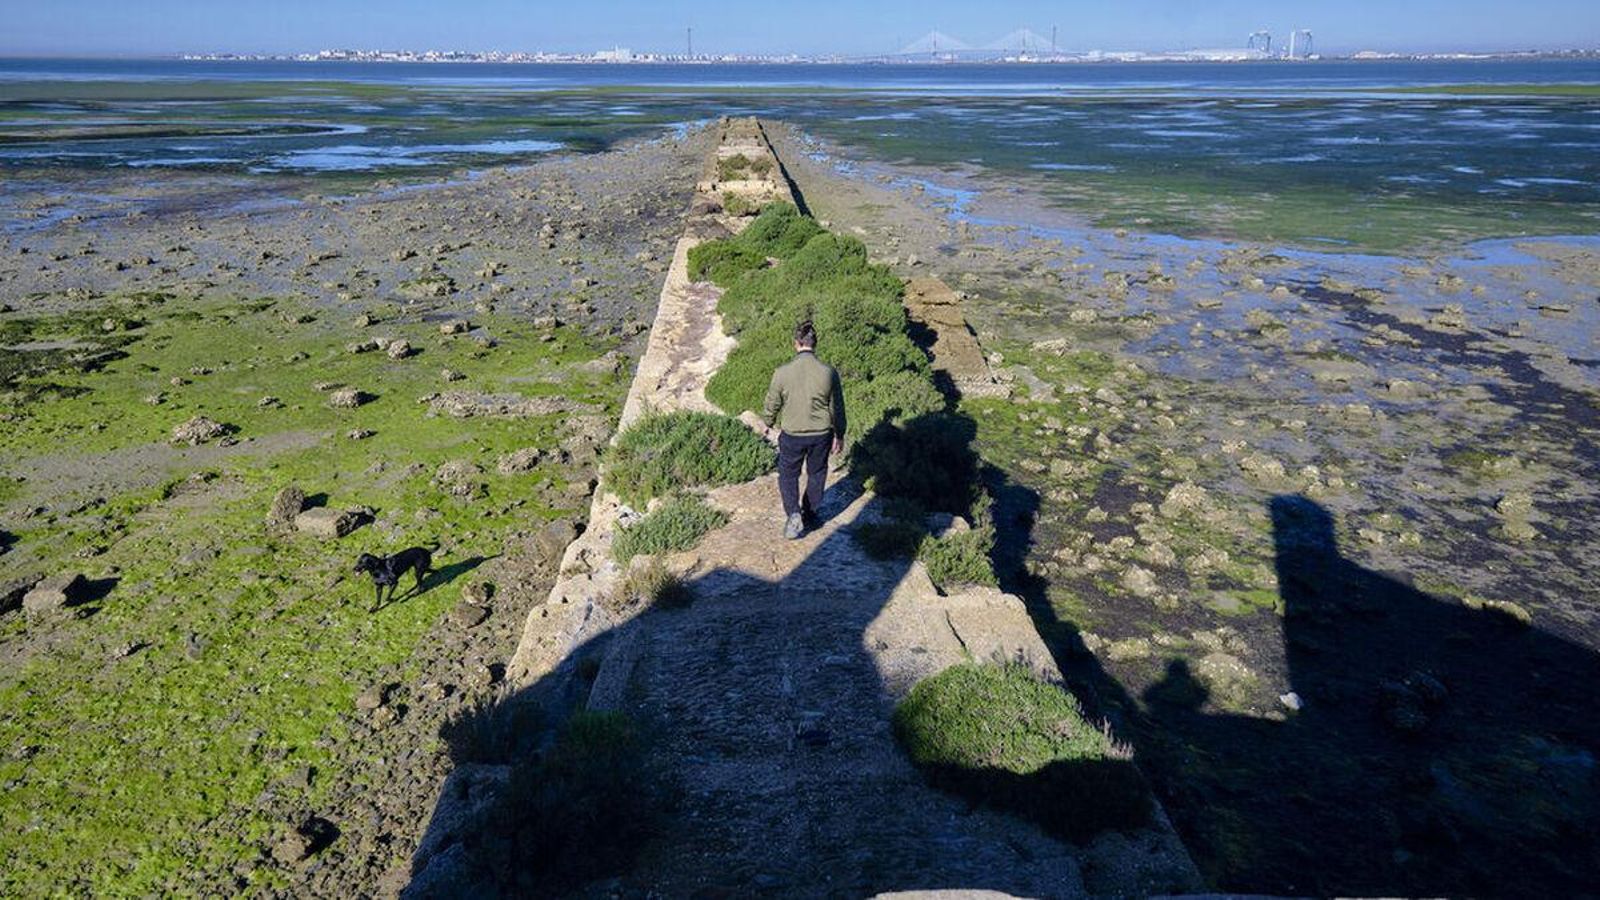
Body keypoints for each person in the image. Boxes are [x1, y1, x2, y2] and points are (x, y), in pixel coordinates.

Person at [761, 320, 846, 539]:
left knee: (788, 474)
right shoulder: (829, 372)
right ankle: (810, 513)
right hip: (821, 434)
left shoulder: (781, 372)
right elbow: (837, 407)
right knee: (817, 473)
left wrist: (767, 423)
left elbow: (772, 403)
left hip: (792, 434)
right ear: (814, 344)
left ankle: (793, 514)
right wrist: (839, 434)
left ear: (796, 344)